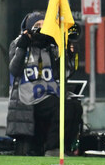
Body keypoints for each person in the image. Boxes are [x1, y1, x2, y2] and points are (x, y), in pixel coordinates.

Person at [7, 11, 82, 156]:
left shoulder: (51, 45)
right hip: (29, 97)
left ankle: (65, 147)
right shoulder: (19, 43)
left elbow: (62, 73)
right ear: (28, 29)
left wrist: (67, 53)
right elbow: (14, 70)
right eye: (37, 25)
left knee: (75, 106)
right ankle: (53, 148)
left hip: (51, 93)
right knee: (61, 106)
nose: (41, 28)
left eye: (43, 25)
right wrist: (22, 48)